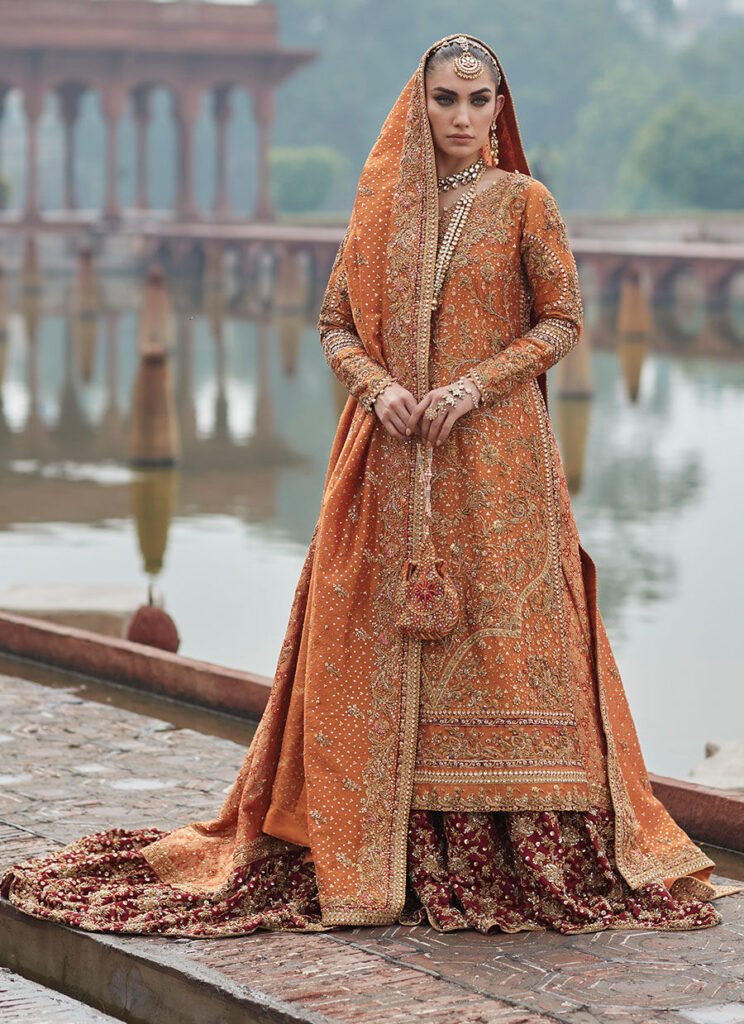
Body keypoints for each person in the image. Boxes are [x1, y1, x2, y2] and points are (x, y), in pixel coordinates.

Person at [2, 33, 741, 937]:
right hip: (388, 457)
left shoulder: (525, 203)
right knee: (382, 634)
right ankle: (383, 846)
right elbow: (333, 322)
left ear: (501, 108)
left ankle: (519, 842)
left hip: (500, 465)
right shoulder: (382, 213)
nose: (462, 116)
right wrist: (381, 389)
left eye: (478, 99)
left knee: (507, 642)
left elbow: (562, 321)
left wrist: (476, 386)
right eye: (445, 99)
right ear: (418, 105)